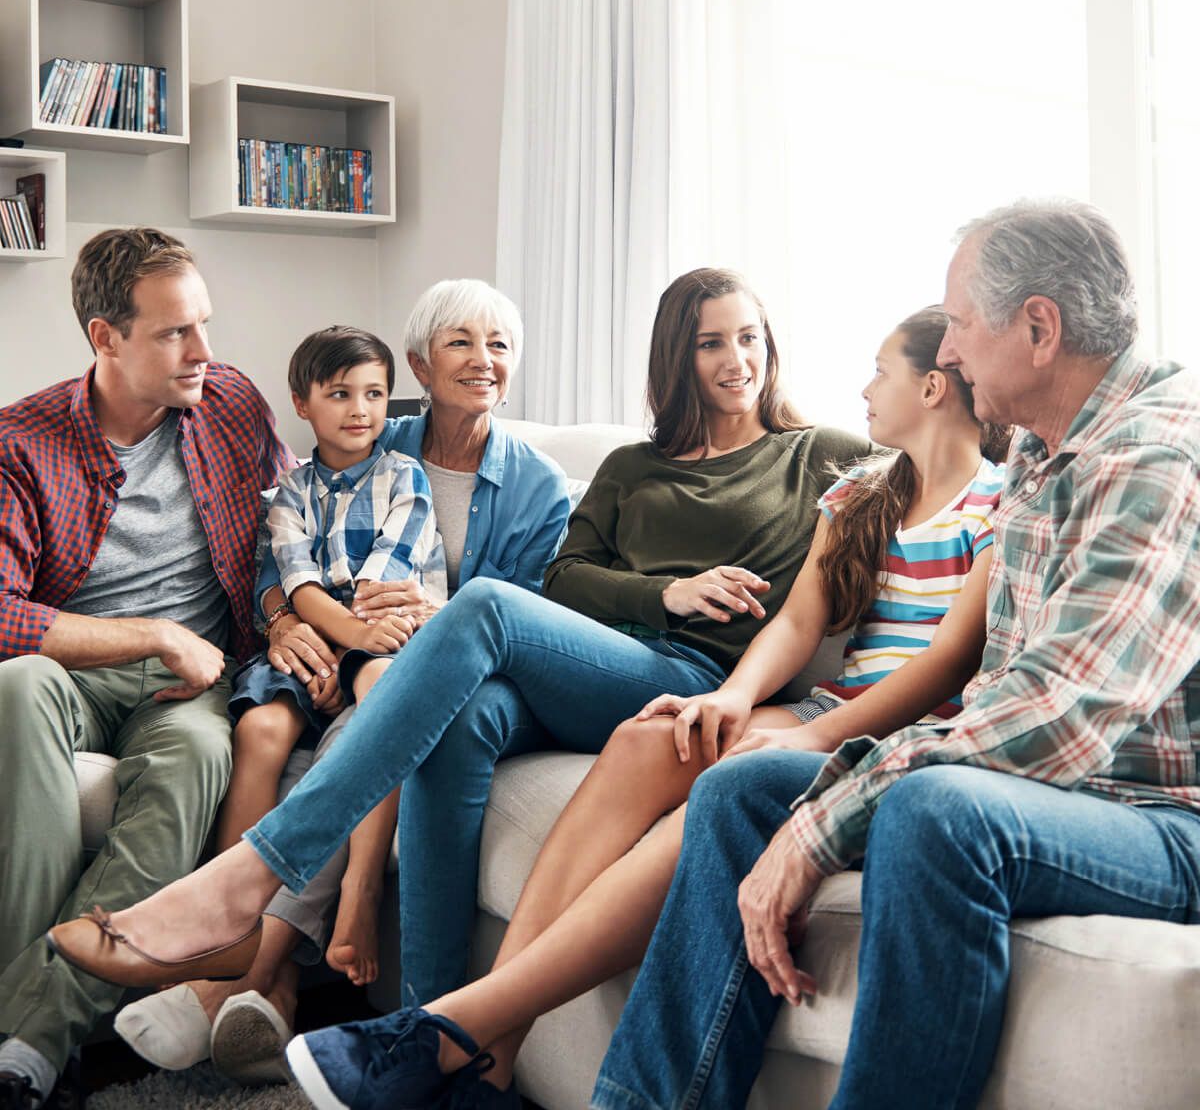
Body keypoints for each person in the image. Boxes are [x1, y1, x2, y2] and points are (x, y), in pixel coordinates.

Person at [44, 267, 871, 1058]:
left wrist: (681, 612)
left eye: (751, 338)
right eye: (711, 344)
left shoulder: (819, 455)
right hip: (603, 661)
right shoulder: (629, 466)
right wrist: (666, 591)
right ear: (675, 358)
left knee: (480, 606)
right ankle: (424, 1033)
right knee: (460, 718)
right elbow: (568, 580)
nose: (738, 361)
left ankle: (246, 877)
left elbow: (946, 461)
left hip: (691, 674)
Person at [281, 303, 1010, 1109]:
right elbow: (801, 619)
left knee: (692, 764)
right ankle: (490, 1058)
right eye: (710, 343)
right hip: (808, 704)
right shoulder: (862, 491)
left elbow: (950, 662)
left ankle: (443, 1022)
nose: (864, 387)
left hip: (900, 733)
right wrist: (734, 699)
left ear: (936, 387)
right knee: (643, 737)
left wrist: (804, 729)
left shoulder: (995, 505)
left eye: (880, 371)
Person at [586, 199, 1200, 1110]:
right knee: (738, 788)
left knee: (938, 810)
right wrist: (812, 797)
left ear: (1038, 327)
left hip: (1157, 815)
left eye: (957, 324)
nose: (946, 353)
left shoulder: (1156, 459)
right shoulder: (1041, 450)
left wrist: (825, 819)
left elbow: (1059, 712)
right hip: (1050, 789)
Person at [114, 281, 570, 1083]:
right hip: (336, 645)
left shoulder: (534, 484)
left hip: (435, 669)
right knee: (279, 728)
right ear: (421, 367)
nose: (484, 361)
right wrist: (288, 623)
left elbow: (530, 615)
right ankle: (270, 990)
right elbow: (276, 557)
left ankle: (256, 962)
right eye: (462, 343)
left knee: (388, 701)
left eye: (499, 344)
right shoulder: (372, 440)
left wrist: (427, 619)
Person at [0, 228, 293, 1110]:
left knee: (203, 755)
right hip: (83, 667)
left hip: (194, 685)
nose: (204, 352)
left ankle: (27, 1044)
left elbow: (291, 529)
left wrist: (298, 613)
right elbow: (4, 612)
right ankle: (35, 1028)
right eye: (175, 333)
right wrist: (158, 632)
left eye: (204, 324)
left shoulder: (232, 403)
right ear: (105, 338)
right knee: (14, 688)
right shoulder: (23, 441)